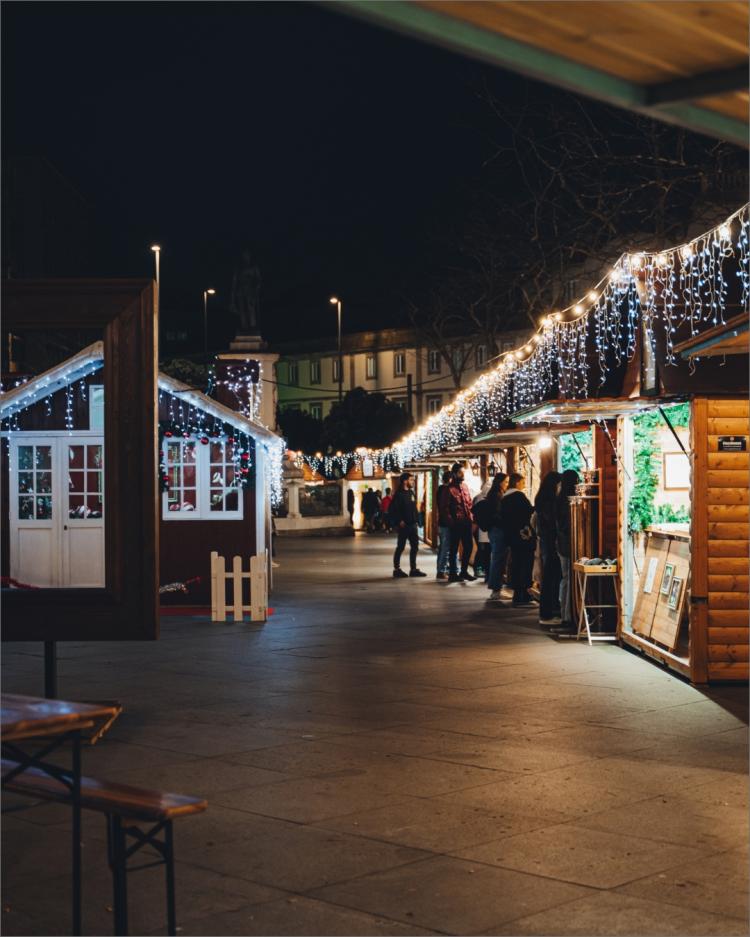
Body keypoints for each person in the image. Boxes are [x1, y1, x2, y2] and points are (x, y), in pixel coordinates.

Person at [500, 472, 536, 606]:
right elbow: (528, 511)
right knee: (525, 563)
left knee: (515, 562)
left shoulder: (505, 497)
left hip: (511, 535)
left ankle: (517, 592)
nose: (524, 485)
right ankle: (523, 592)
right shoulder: (518, 496)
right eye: (523, 482)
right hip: (523, 535)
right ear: (517, 483)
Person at [535, 470, 562, 627]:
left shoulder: (542, 499)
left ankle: (549, 611)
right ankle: (547, 613)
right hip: (550, 543)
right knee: (551, 578)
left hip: (547, 542)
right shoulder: (548, 502)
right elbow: (551, 522)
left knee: (550, 577)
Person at [553, 469, 580, 634]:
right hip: (569, 544)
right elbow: (567, 524)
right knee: (569, 579)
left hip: (561, 544)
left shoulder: (558, 499)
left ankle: (565, 613)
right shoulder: (569, 501)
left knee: (565, 579)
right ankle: (568, 616)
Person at [439, 462, 475, 582]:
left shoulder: (464, 487)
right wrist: (451, 522)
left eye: (463, 471)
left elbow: (469, 502)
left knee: (468, 546)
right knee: (454, 548)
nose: (462, 473)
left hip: (466, 522)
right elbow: (444, 508)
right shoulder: (449, 489)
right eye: (460, 472)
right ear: (454, 474)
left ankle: (464, 571)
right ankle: (453, 573)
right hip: (455, 523)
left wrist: (471, 517)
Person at [388, 473, 427, 578]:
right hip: (404, 526)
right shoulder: (399, 494)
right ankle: (397, 569)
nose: (413, 482)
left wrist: (418, 520)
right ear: (405, 481)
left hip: (413, 525)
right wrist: (399, 520)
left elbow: (414, 508)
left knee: (415, 547)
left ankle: (413, 569)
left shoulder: (411, 492)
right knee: (400, 547)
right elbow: (392, 509)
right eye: (411, 480)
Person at [486, 473, 509, 599]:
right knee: (497, 559)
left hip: (494, 530)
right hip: (497, 530)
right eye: (506, 482)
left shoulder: (494, 493)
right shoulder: (496, 495)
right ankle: (495, 590)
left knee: (497, 558)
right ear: (500, 482)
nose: (507, 484)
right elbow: (497, 514)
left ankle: (496, 588)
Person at [472, 478, 493, 580]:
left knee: (483, 551)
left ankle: (484, 571)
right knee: (483, 551)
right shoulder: (483, 499)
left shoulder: (478, 498)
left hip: (481, 530)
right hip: (483, 529)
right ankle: (480, 570)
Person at [435, 469, 452, 579]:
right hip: (447, 523)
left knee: (442, 547)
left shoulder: (440, 489)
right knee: (446, 548)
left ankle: (440, 569)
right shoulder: (446, 490)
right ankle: (441, 570)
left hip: (442, 521)